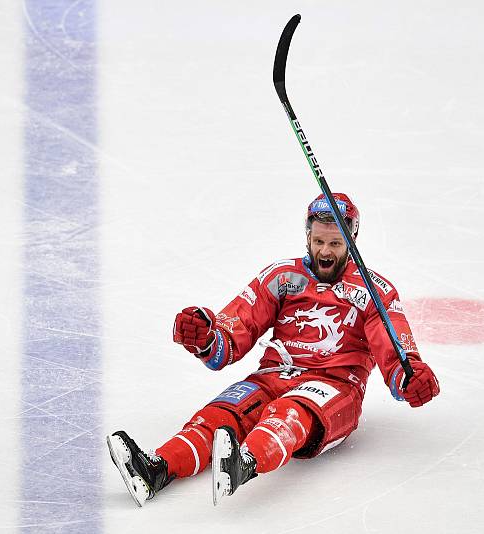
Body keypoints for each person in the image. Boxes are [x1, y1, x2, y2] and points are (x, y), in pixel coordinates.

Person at [107, 192, 440, 507]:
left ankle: (245, 462)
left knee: (289, 412)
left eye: (335, 243)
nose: (325, 251)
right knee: (219, 416)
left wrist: (409, 376)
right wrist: (206, 337)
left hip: (334, 384)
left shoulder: (373, 289)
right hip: (274, 375)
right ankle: (156, 468)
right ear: (307, 237)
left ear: (352, 241)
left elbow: (393, 347)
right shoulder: (282, 277)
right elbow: (235, 326)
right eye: (319, 241)